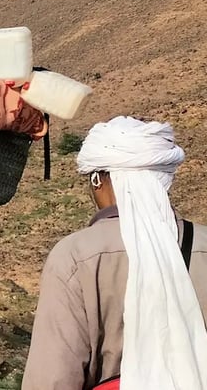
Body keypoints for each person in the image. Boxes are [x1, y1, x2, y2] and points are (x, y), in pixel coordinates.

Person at [22, 116, 207, 390]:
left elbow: (52, 379)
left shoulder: (74, 258)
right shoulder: (203, 245)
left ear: (98, 180)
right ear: (164, 177)